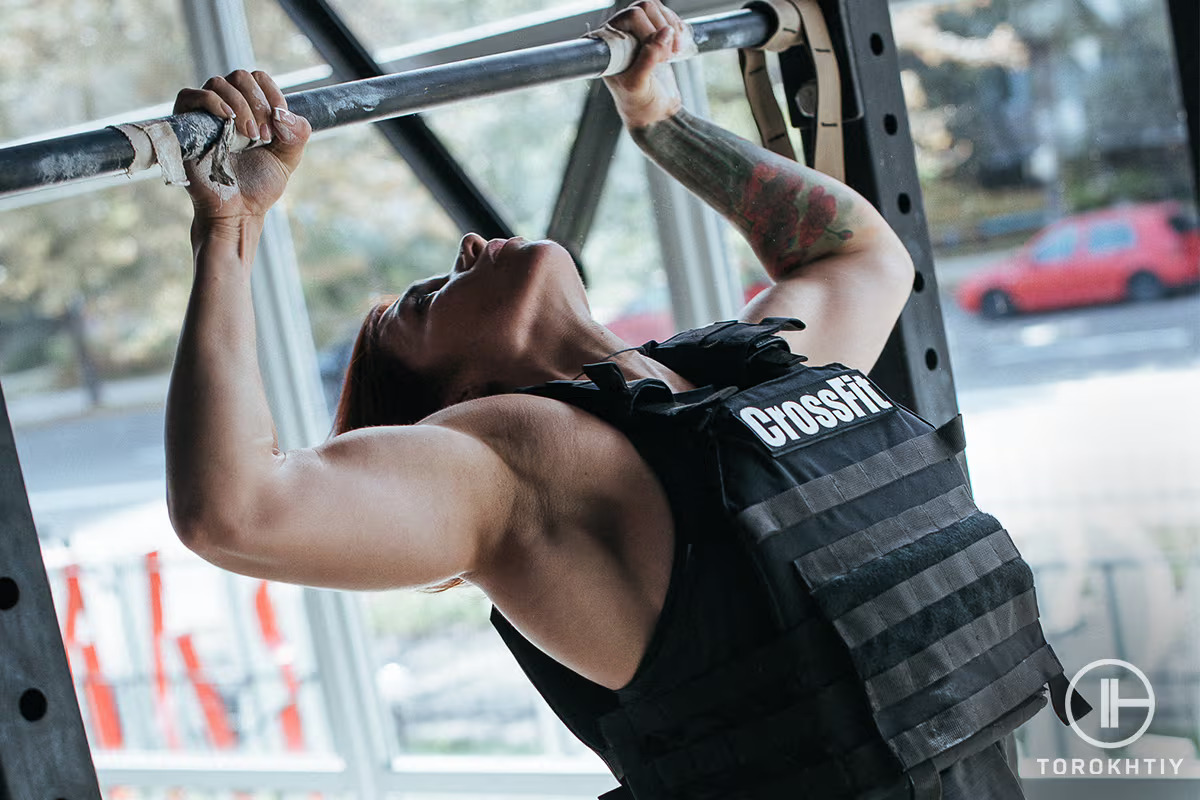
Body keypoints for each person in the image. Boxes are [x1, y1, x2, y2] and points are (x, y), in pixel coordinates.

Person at [166, 2, 1039, 796]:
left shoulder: (737, 376)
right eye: (424, 303)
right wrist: (231, 231)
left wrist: (659, 119)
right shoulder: (508, 461)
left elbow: (856, 257)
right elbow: (235, 510)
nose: (468, 242)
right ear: (460, 399)